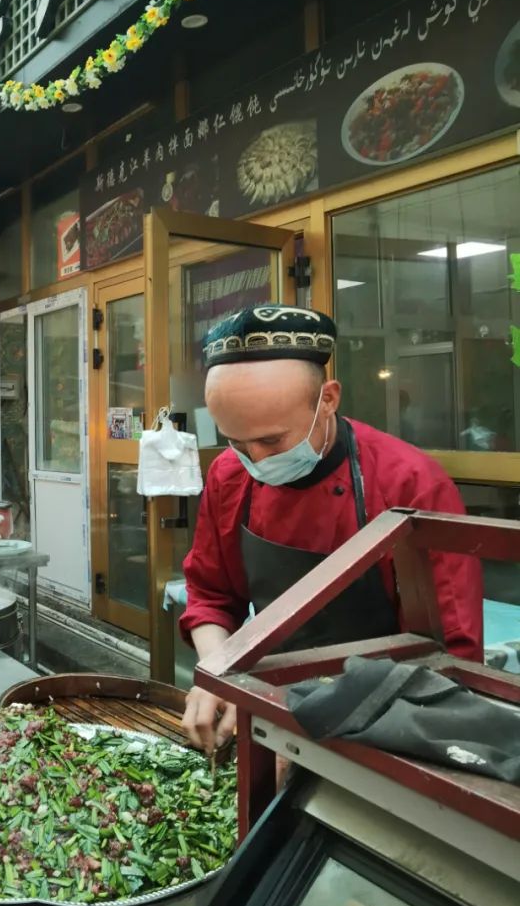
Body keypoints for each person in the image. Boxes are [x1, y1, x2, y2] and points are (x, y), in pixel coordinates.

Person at [180, 304, 483, 754]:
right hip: (270, 702)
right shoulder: (230, 476)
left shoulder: (410, 484)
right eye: (237, 441)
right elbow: (211, 597)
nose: (256, 461)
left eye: (272, 440)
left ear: (329, 399)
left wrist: (323, 737)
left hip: (389, 721)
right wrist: (219, 673)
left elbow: (451, 657)